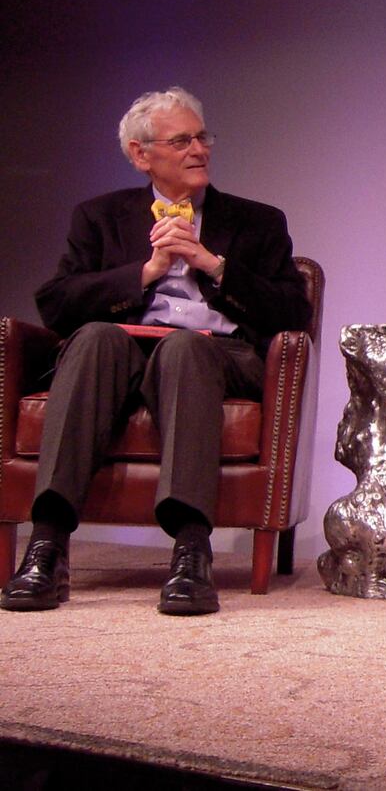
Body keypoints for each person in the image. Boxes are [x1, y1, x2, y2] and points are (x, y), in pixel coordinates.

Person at [2, 87, 310, 616]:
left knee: (184, 350)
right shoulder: (99, 216)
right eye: (182, 140)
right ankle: (47, 546)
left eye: (202, 137)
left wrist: (212, 264)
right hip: (123, 349)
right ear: (141, 155)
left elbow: (292, 313)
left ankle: (192, 549)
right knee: (97, 336)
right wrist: (143, 274)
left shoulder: (258, 221)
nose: (199, 150)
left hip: (215, 353)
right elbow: (56, 303)